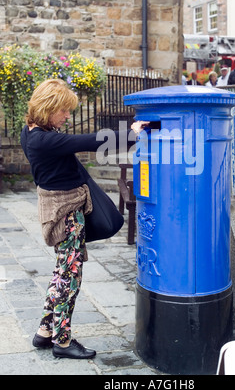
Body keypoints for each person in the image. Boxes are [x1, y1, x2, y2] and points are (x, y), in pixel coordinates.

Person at [20, 79, 147, 360]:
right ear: (48, 108)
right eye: (63, 111)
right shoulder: (45, 140)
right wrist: (133, 132)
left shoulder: (30, 132)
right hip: (65, 214)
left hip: (57, 210)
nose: (67, 116)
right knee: (70, 277)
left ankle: (45, 330)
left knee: (61, 272)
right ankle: (62, 342)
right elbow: (91, 140)